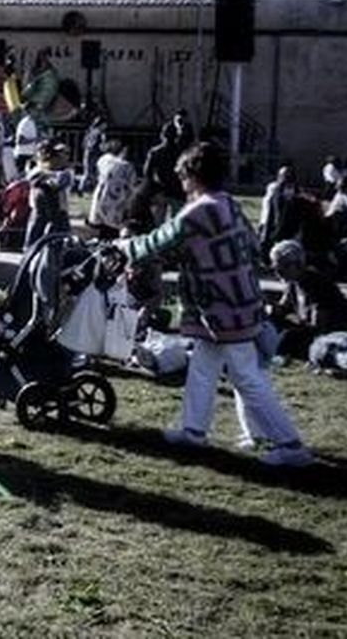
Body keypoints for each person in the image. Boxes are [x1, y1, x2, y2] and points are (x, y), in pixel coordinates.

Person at [112, 142, 313, 467]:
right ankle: (193, 431)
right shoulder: (227, 205)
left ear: (194, 175)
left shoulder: (199, 210)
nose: (181, 183)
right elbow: (244, 245)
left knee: (246, 376)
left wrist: (124, 246)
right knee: (204, 368)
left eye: (183, 176)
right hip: (236, 302)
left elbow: (159, 240)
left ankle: (291, 446)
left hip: (221, 308)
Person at [267, 239, 347, 360]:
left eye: (284, 266)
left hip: (332, 338)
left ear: (298, 264)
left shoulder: (318, 285)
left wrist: (293, 329)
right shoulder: (293, 283)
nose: (279, 272)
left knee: (289, 336)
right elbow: (281, 310)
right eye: (277, 267)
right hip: (311, 331)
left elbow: (319, 327)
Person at [88, 140, 137, 240]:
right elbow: (131, 185)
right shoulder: (127, 167)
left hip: (103, 195)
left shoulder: (103, 160)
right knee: (113, 227)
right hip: (117, 198)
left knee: (102, 225)